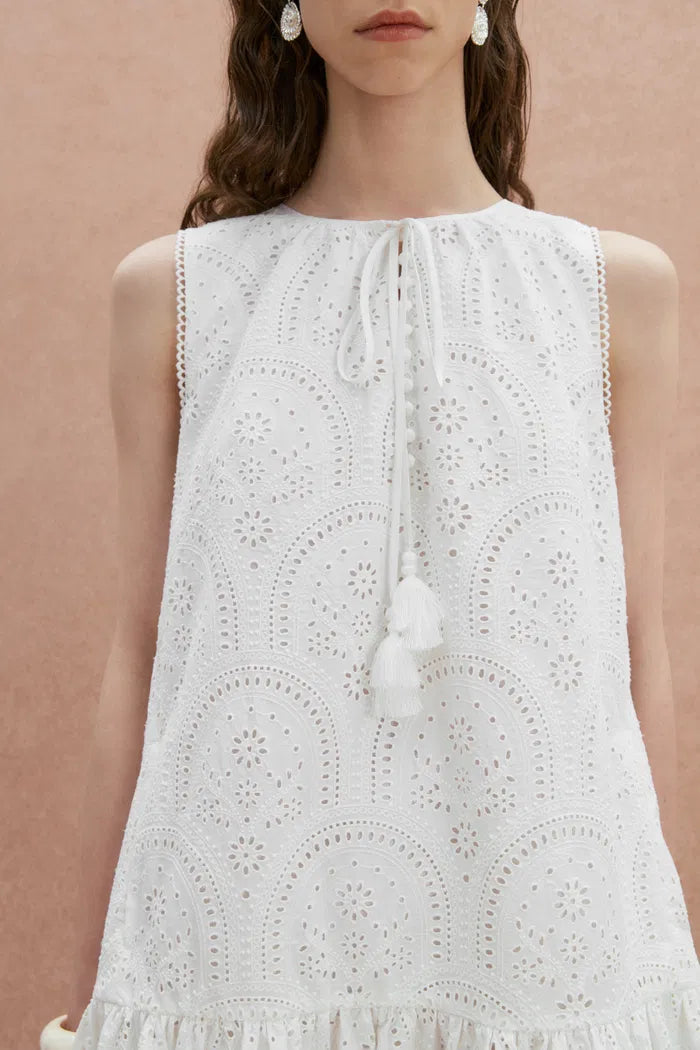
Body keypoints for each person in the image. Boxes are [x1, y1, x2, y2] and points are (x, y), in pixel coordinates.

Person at [40, 2, 700, 1049]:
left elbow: (632, 651)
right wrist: (86, 1007)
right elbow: (147, 646)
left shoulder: (609, 292)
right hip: (237, 947)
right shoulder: (176, 296)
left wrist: (655, 968)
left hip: (544, 952)